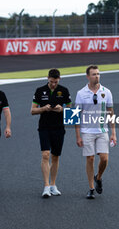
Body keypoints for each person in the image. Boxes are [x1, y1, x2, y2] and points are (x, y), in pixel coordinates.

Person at [75, 65, 117, 199]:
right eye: (94, 74)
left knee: (104, 159)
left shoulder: (107, 92)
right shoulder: (81, 93)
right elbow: (75, 115)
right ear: (88, 76)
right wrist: (78, 136)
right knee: (90, 158)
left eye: (98, 74)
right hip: (87, 131)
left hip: (102, 130)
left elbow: (111, 113)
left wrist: (114, 132)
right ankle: (91, 187)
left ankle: (98, 177)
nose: (97, 76)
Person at [31, 69, 72, 198]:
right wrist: (43, 109)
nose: (53, 84)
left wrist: (62, 109)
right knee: (45, 154)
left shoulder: (64, 91)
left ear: (59, 79)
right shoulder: (39, 90)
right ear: (47, 78)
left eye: (55, 82)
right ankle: (46, 186)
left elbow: (72, 112)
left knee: (55, 156)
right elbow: (32, 110)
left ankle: (53, 185)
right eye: (51, 81)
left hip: (59, 128)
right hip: (44, 127)